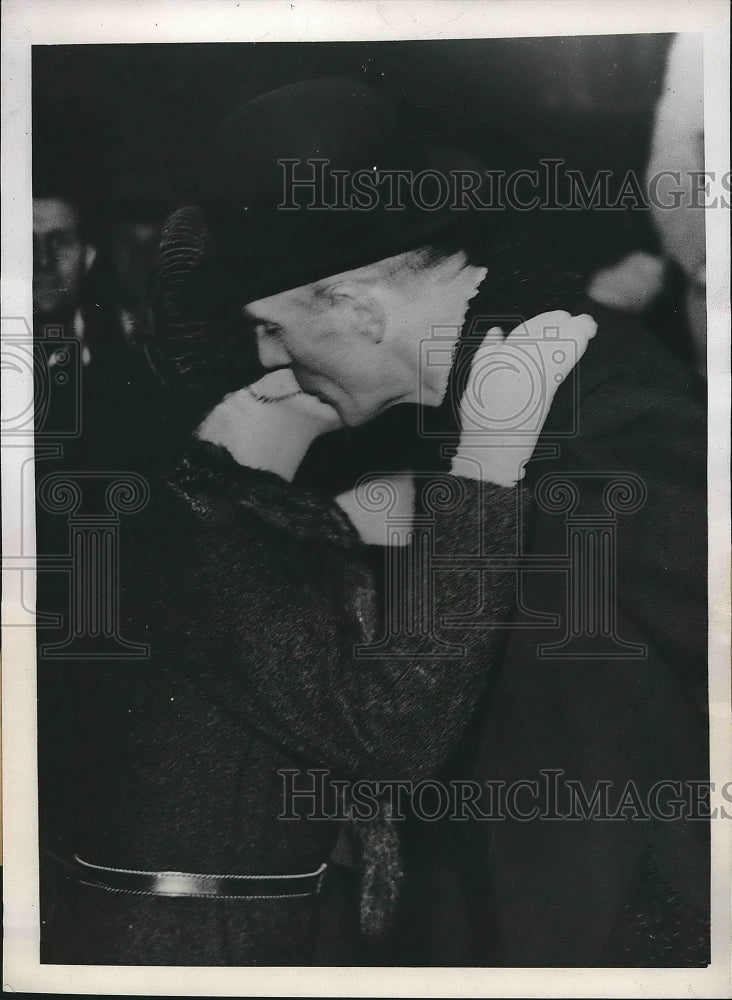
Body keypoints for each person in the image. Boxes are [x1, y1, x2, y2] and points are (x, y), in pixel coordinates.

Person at [38, 77, 595, 966]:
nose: (275, 349)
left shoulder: (229, 517)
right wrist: (486, 468)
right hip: (192, 954)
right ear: (256, 380)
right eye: (261, 332)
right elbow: (393, 738)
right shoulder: (197, 530)